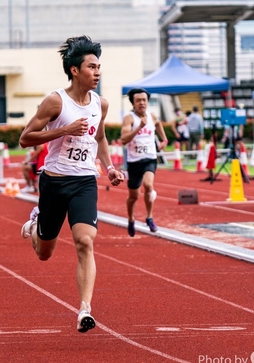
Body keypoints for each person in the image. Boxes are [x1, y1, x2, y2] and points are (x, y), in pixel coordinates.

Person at [19, 35, 124, 333]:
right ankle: (36, 223)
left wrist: (110, 167)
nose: (98, 72)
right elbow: (25, 138)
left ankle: (84, 310)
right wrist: (63, 129)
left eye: (99, 66)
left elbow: (100, 137)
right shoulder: (56, 101)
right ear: (75, 70)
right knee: (44, 253)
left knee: (85, 242)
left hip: (84, 182)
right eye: (92, 66)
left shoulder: (100, 104)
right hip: (54, 182)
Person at [121, 87, 167, 237]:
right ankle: (130, 219)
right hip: (134, 162)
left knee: (148, 185)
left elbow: (158, 124)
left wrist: (164, 139)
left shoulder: (152, 116)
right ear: (133, 103)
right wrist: (139, 127)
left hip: (150, 158)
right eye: (138, 100)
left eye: (144, 100)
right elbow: (123, 140)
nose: (142, 103)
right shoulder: (129, 118)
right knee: (133, 196)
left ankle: (149, 217)